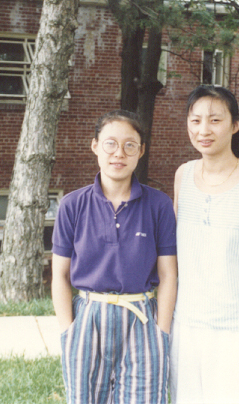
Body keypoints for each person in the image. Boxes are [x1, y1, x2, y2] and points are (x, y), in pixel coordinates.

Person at [51, 110, 178, 404]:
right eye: (110, 143)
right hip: (87, 318)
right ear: (95, 145)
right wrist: (68, 331)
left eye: (129, 145)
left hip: (142, 318)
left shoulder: (158, 204)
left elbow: (169, 274)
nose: (119, 153)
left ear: (141, 151)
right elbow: (59, 275)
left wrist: (161, 332)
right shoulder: (72, 205)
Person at [170, 85, 239, 404]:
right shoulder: (183, 176)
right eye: (195, 120)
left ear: (235, 125)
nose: (203, 130)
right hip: (187, 326)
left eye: (215, 120)